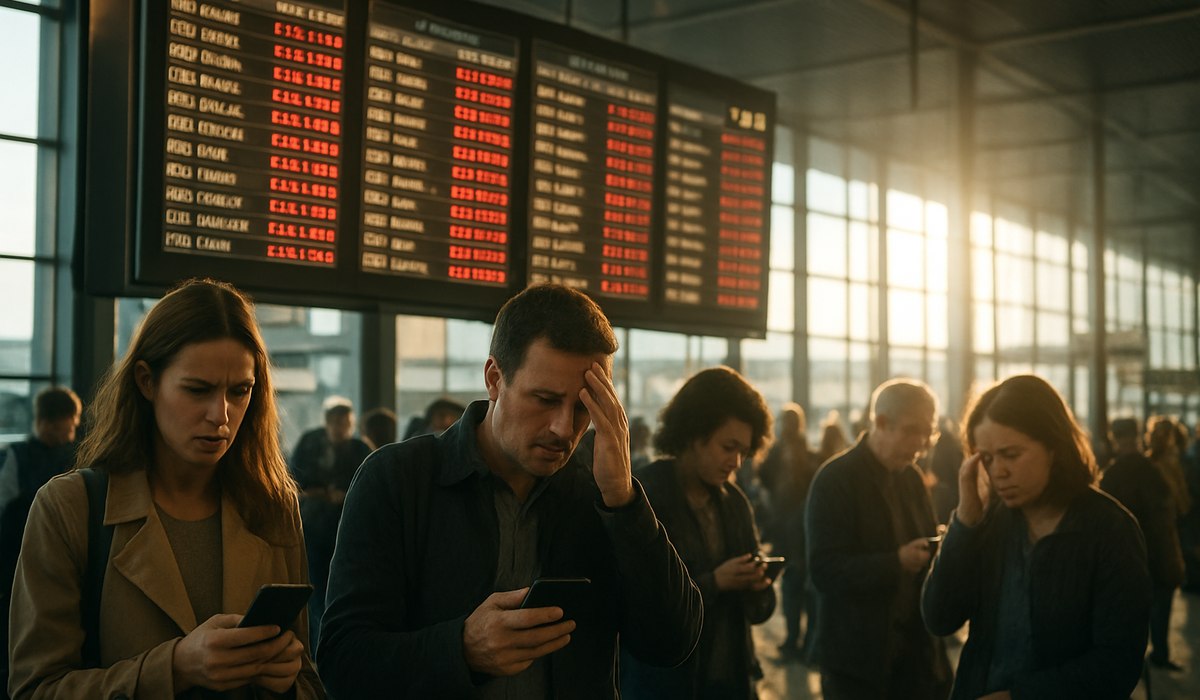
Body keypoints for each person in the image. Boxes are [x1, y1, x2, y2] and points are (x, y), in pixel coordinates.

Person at [318, 284, 701, 698]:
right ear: (495, 378)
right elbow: (343, 661)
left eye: (582, 408)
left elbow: (671, 643)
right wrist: (461, 649)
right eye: (545, 399)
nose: (562, 428)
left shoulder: (602, 495)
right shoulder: (397, 479)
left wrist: (624, 501)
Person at [8, 278, 322, 698]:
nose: (221, 416)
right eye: (198, 390)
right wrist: (174, 667)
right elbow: (35, 688)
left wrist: (287, 681)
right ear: (146, 381)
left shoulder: (271, 506)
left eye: (240, 391)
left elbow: (308, 679)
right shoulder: (71, 507)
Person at [922, 375, 1151, 699]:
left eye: (1011, 454)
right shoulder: (989, 521)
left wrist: (1020, 696)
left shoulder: (1108, 529)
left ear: (1054, 447)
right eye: (987, 458)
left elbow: (1118, 664)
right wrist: (964, 522)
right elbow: (939, 617)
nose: (998, 470)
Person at [621, 367, 775, 698]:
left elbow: (759, 610)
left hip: (731, 679)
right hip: (665, 686)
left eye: (744, 451)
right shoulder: (644, 496)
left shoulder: (734, 502)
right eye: (727, 447)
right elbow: (639, 607)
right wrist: (715, 582)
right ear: (693, 434)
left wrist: (759, 584)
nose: (736, 461)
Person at [806, 378, 950, 699]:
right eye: (915, 431)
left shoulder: (911, 478)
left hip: (913, 656)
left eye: (929, 433)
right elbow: (824, 570)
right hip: (857, 662)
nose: (924, 445)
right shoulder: (835, 480)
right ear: (881, 423)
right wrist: (896, 562)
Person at [0, 386, 83, 694]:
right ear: (53, 422)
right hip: (24, 561)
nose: (74, 428)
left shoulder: (15, 458)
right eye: (70, 422)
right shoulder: (76, 460)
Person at [1101, 417, 1184, 671]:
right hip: (1158, 549)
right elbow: (1172, 509)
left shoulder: (1111, 475)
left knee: (1126, 613)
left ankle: (1127, 661)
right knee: (1161, 603)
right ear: (1137, 436)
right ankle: (1159, 652)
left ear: (1114, 439)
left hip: (1125, 553)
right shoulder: (1152, 469)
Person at [289, 397, 372, 644]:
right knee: (315, 586)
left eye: (345, 423)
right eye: (336, 422)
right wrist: (322, 494)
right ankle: (317, 644)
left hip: (347, 529)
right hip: (314, 527)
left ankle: (337, 642)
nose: (341, 428)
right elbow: (293, 481)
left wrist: (344, 496)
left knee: (344, 588)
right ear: (327, 423)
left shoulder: (360, 449)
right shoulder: (310, 444)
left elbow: (372, 488)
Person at [756, 402, 815, 661]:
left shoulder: (778, 452)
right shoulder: (807, 452)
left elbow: (764, 475)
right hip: (802, 532)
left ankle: (793, 641)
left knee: (792, 587)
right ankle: (807, 644)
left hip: (786, 529)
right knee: (805, 587)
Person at [401, 397, 468, 440]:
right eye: (441, 415)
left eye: (452, 416)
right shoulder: (418, 429)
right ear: (432, 415)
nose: (446, 420)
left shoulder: (457, 436)